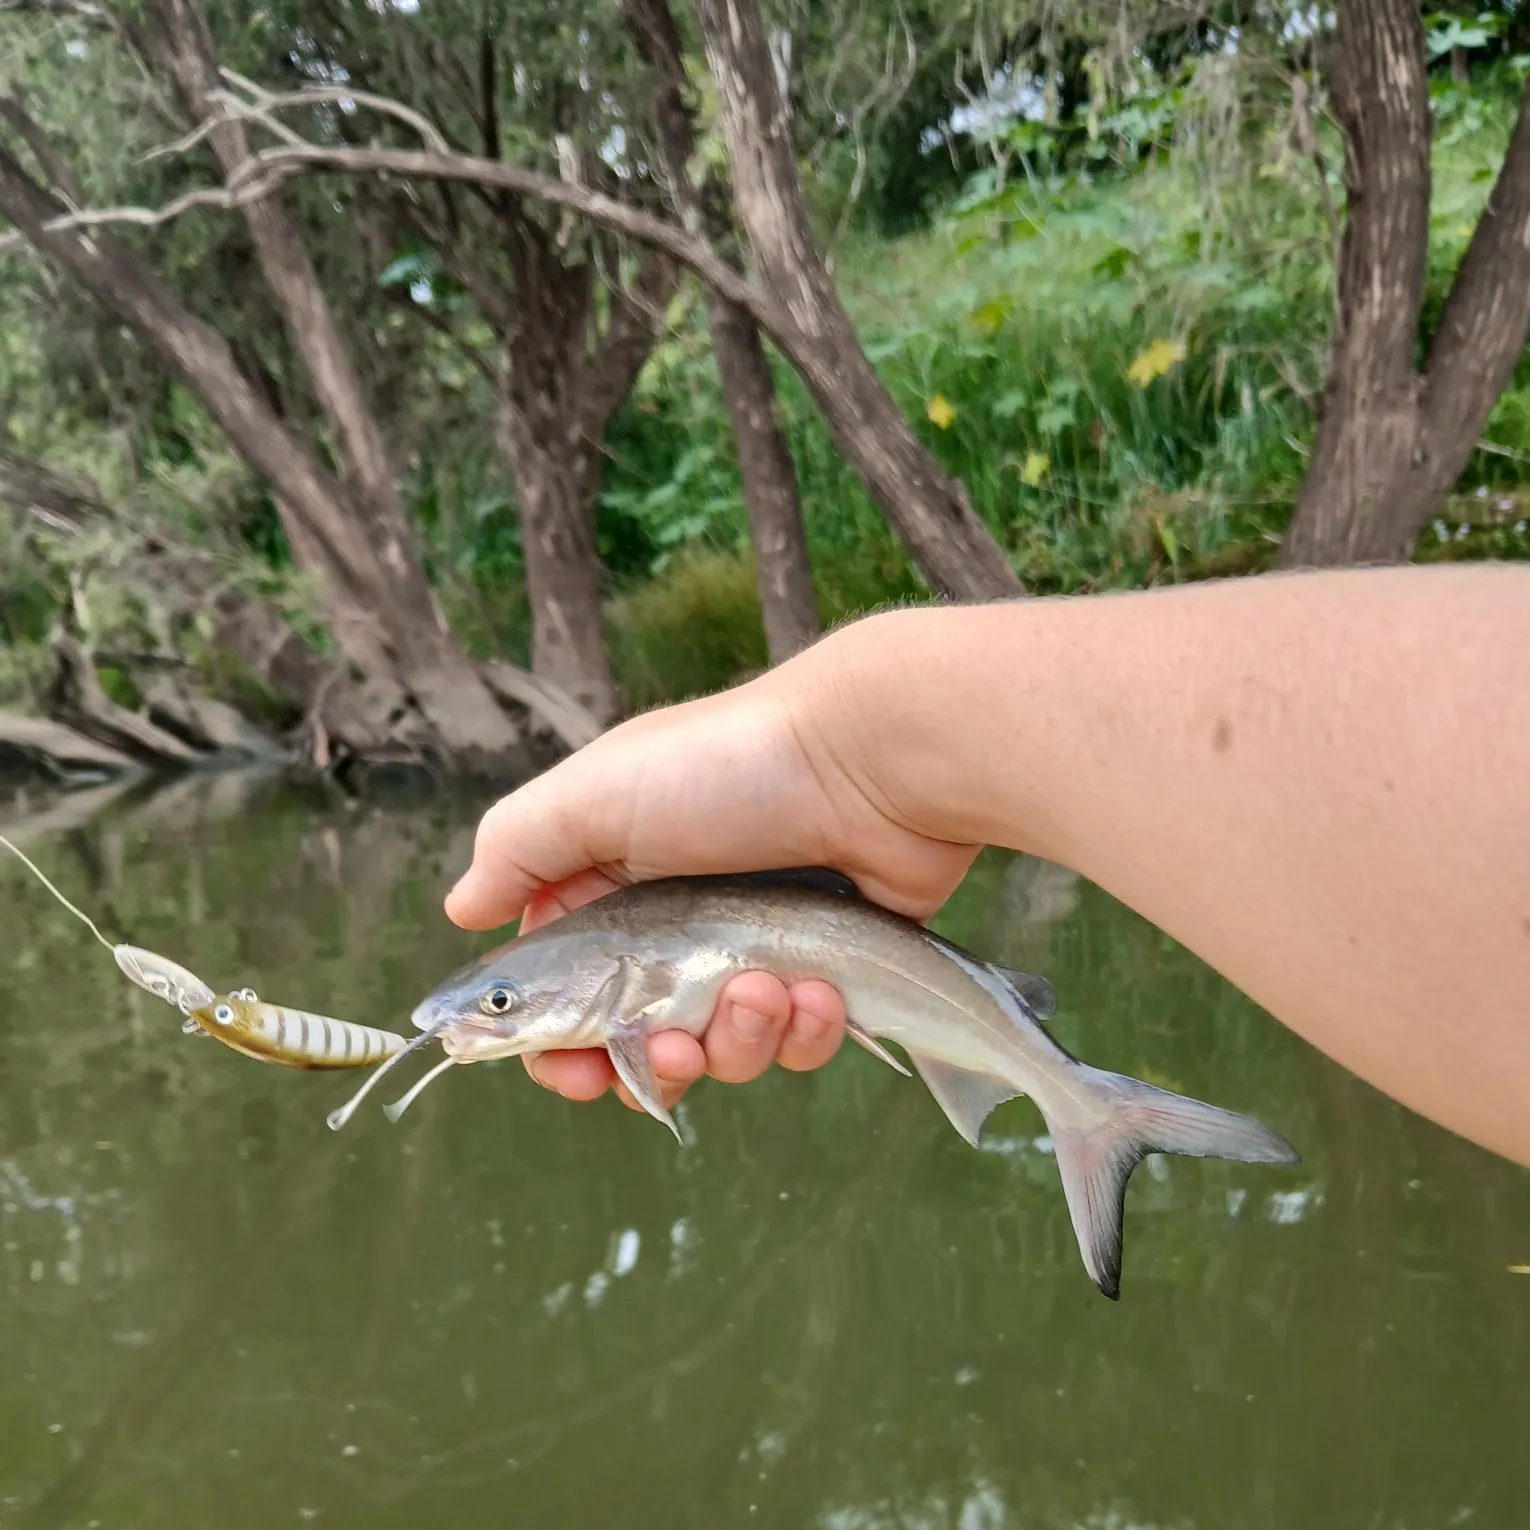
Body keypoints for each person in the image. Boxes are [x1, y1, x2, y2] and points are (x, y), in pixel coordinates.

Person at [444, 563, 1530, 1169]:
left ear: (601, 995)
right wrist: (839, 753)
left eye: (499, 1002)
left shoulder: (629, 988)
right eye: (493, 1006)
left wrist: (842, 753)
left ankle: (1084, 1112)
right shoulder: (615, 966)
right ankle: (1075, 1107)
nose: (482, 1018)